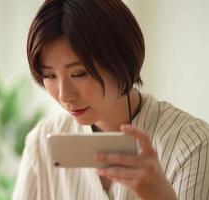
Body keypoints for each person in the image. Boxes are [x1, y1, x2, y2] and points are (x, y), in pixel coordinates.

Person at [12, 0, 209, 199]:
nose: (64, 95)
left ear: (120, 58)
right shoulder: (42, 141)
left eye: (79, 73)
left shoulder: (190, 144)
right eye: (49, 75)